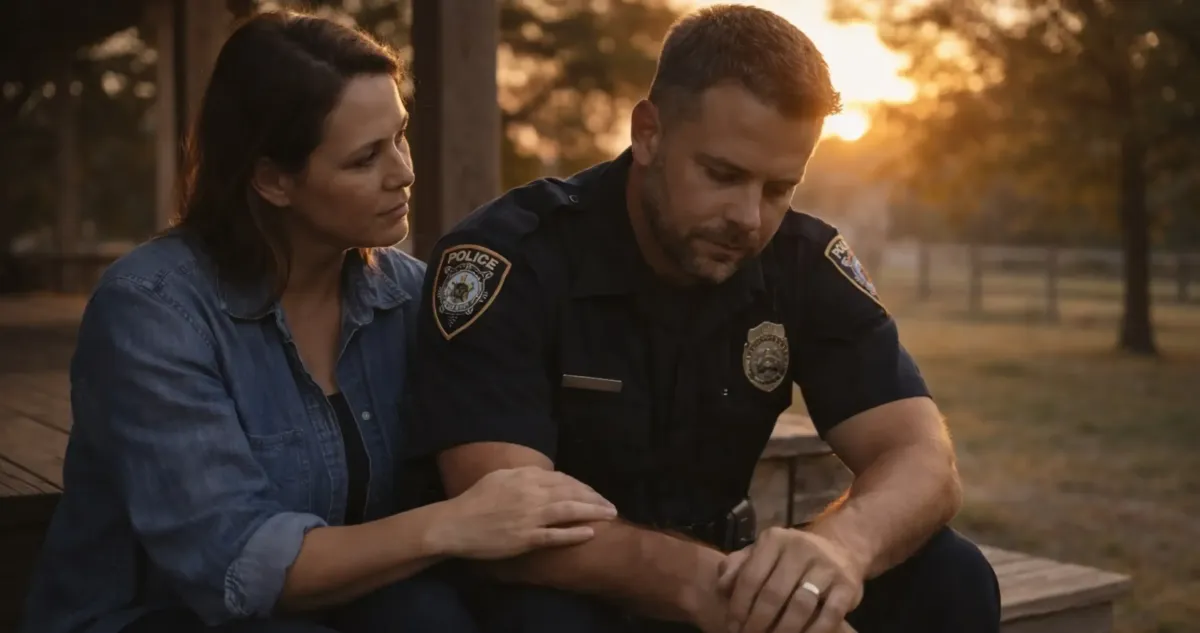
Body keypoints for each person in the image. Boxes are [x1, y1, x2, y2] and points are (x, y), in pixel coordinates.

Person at [20, 10, 618, 633]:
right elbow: (238, 568)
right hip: (157, 615)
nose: (404, 172)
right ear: (273, 180)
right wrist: (451, 524)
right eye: (364, 159)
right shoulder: (153, 310)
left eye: (400, 136)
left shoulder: (411, 296)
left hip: (347, 603)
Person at [410, 5, 1002, 633]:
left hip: (725, 568)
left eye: (779, 189)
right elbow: (503, 515)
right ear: (648, 134)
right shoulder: (512, 258)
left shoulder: (802, 262)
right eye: (723, 175)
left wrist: (839, 549)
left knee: (951, 573)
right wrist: (722, 591)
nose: (749, 217)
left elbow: (921, 458)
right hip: (571, 580)